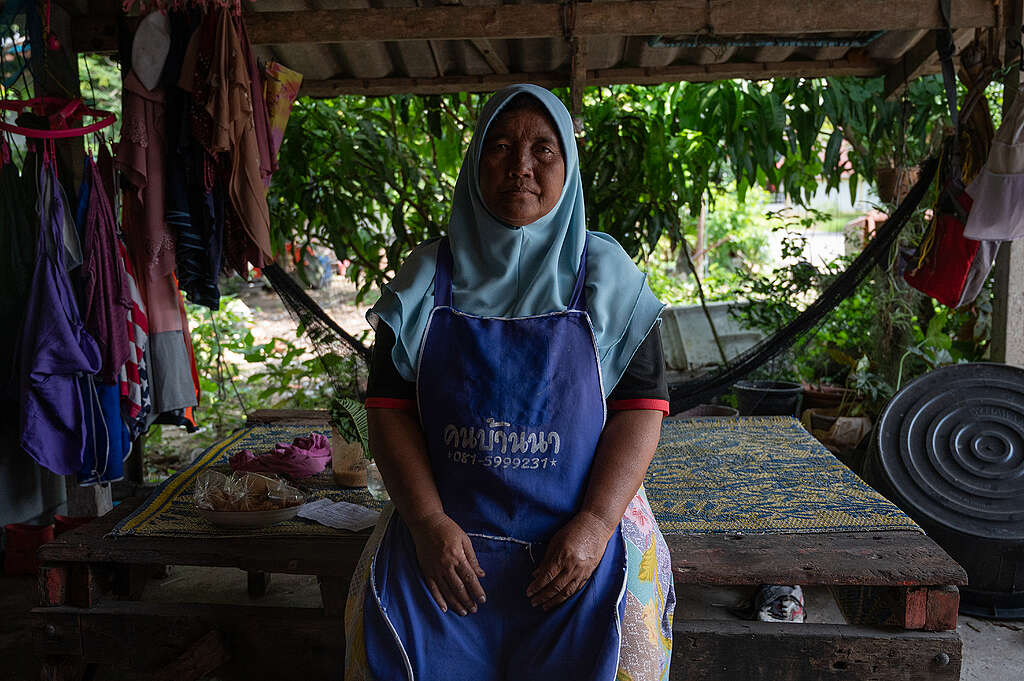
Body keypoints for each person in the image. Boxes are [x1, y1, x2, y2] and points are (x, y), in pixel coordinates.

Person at [344, 84, 675, 681]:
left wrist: (597, 525)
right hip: (444, 547)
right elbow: (389, 409)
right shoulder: (426, 278)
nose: (521, 166)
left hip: (578, 543)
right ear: (476, 162)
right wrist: (425, 524)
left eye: (543, 149)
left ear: (568, 165)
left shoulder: (608, 277)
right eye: (500, 146)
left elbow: (640, 409)